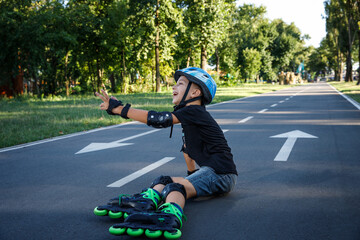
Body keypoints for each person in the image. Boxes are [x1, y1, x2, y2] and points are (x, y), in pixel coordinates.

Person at [94, 67, 237, 239]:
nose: (173, 87)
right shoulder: (190, 118)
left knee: (174, 188)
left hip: (220, 174)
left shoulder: (195, 111)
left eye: (181, 84)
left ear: (195, 92)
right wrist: (191, 177)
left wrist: (119, 109)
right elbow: (187, 151)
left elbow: (158, 119)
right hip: (212, 173)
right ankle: (145, 203)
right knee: (163, 180)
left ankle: (169, 217)